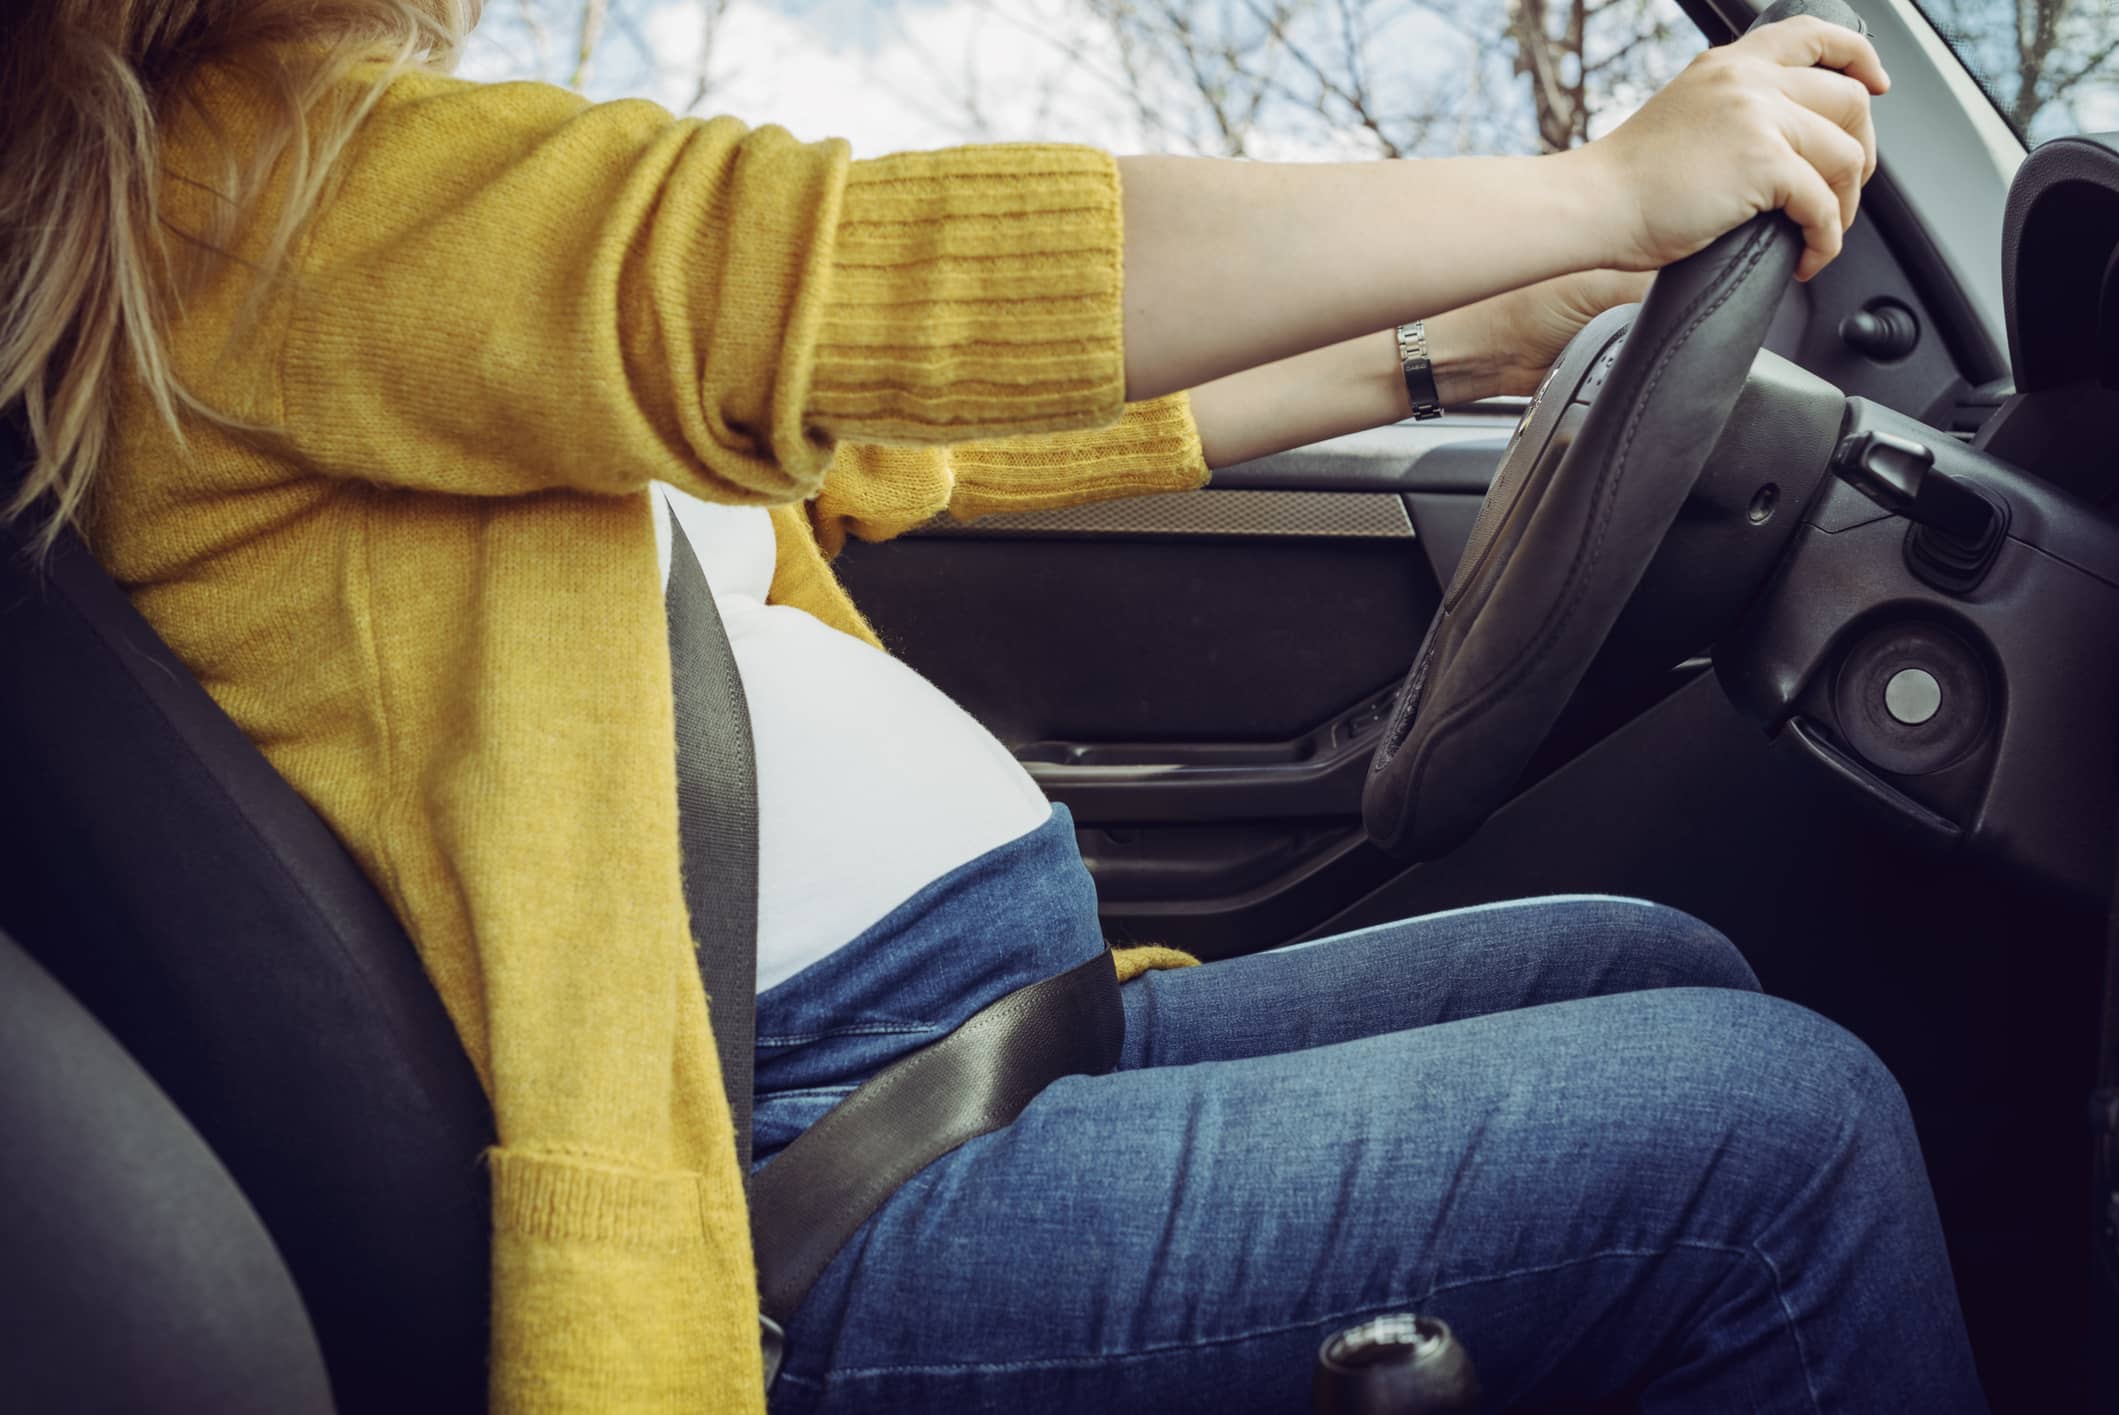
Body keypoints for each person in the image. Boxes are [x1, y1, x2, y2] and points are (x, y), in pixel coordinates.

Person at [0, 1, 1986, 1410]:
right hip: (805, 1187)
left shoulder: (336, 229)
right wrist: (1593, 189)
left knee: (1644, 959)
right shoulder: (248, 188)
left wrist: (1444, 347)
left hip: (981, 1036)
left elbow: (909, 427)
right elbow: (850, 271)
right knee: (1777, 1144)